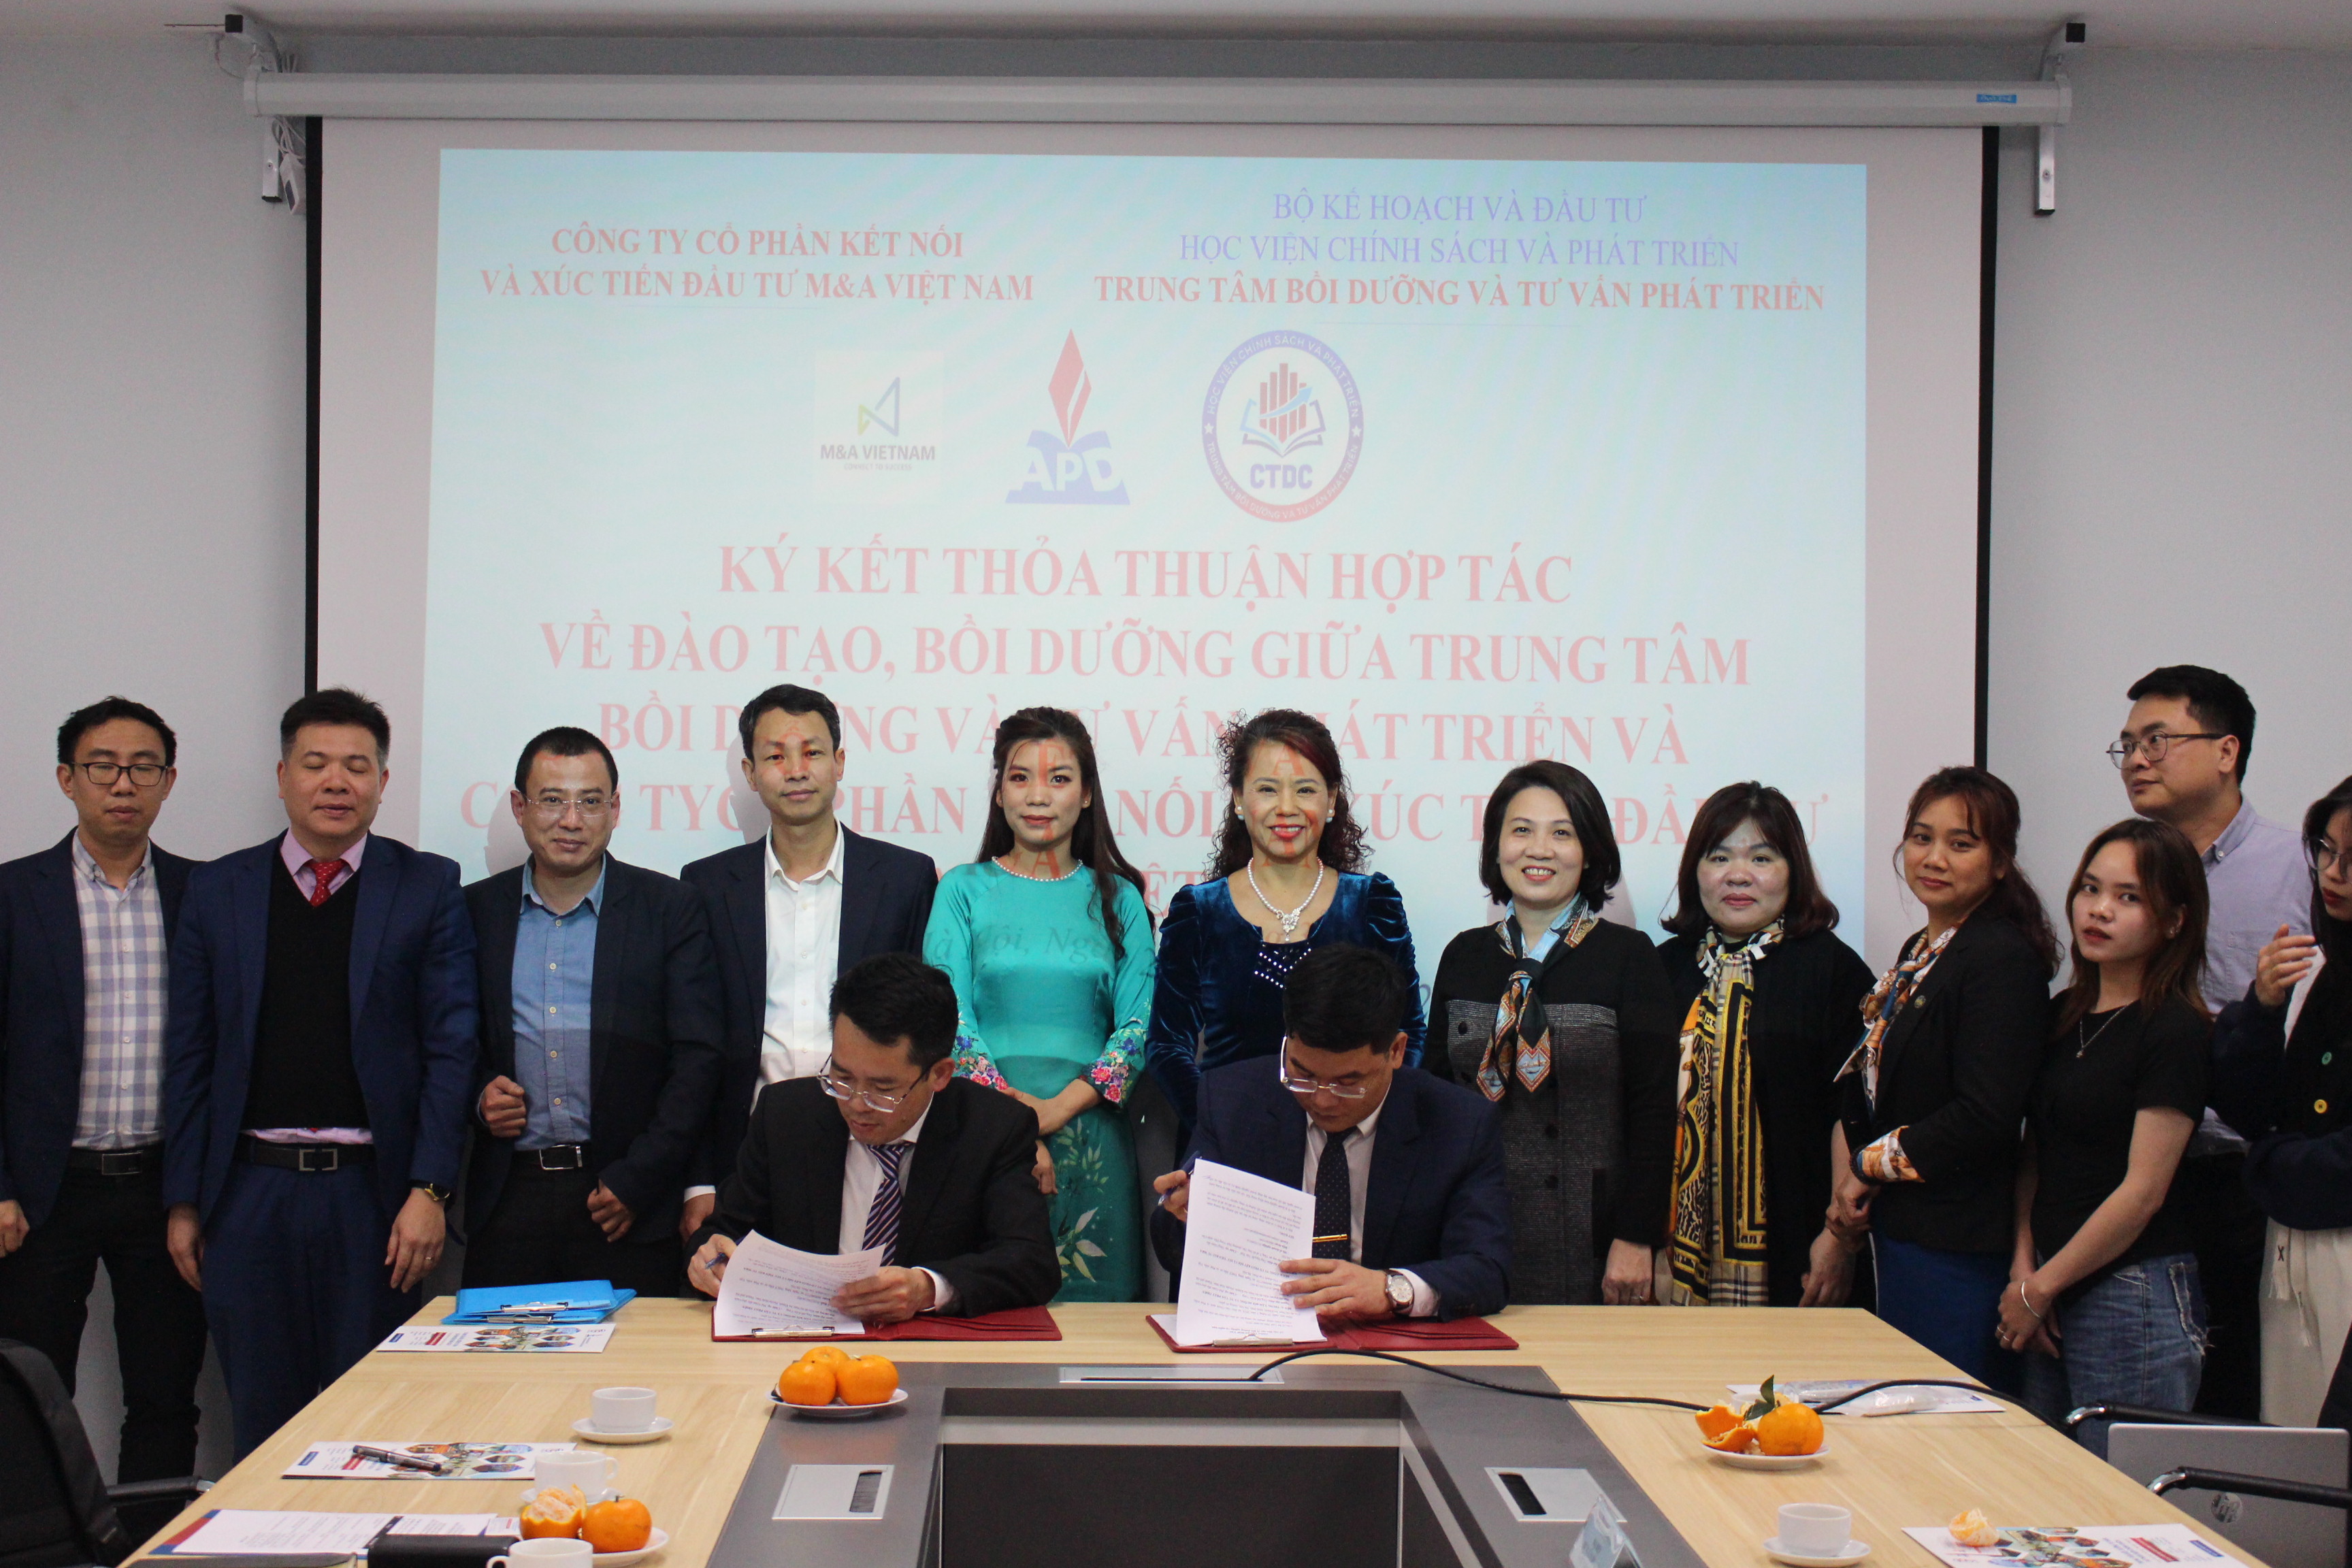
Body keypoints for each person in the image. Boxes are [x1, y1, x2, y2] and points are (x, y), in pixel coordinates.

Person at [161, 689, 478, 1457]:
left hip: (374, 1199)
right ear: (282, 777)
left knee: (372, 1425)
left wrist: (431, 1190)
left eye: (356, 766)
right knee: (262, 1422)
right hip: (247, 1194)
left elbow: (452, 1048)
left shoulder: (427, 885)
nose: (336, 782)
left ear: (383, 782)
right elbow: (191, 1054)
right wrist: (184, 1200)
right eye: (316, 764)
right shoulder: (219, 888)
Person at [0, 698, 208, 1482]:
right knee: (29, 1394)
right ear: (68, 778)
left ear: (168, 782)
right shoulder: (14, 895)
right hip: (43, 1192)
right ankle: (43, 1539)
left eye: (143, 768)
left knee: (165, 1395)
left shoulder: (203, 894)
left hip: (162, 1187)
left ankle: (147, 1538)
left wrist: (196, 1192)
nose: (124, 784)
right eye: (103, 767)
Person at [460, 728, 723, 1294]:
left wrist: (641, 1178)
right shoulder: (475, 911)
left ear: (615, 809)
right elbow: (448, 1042)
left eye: (590, 801)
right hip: (508, 1198)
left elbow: (698, 1059)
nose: (571, 821)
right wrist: (479, 1095)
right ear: (520, 808)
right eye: (552, 800)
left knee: (633, 1353)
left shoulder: (669, 909)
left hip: (625, 1200)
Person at [681, 685, 937, 1247]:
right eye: (776, 756)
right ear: (751, 774)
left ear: (839, 763)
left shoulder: (904, 879)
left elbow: (923, 1029)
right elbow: (697, 1043)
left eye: (813, 752)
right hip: (744, 1153)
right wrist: (699, 1180)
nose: (796, 770)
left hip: (871, 1144)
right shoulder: (707, 885)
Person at [2116, 665, 2305, 1416]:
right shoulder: (2126, 870)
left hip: (2242, 1176)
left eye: (2157, 740)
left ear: (2227, 752)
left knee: (2240, 1397)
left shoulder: (2299, 867)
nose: (2137, 759)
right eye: (2128, 745)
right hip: (2135, 1172)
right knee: (2148, 1404)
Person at [1424, 761, 1677, 1305]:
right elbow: (1435, 1102)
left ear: (1590, 851)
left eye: (1562, 833)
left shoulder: (1629, 957)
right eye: (1522, 830)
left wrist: (1637, 1235)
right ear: (1496, 847)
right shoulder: (1463, 955)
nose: (1539, 850)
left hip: (1594, 1236)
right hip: (1475, 1227)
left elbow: (1655, 1112)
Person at [686, 953, 1058, 1322]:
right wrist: (708, 1258)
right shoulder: (785, 1115)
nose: (856, 1104)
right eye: (842, 1078)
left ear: (940, 1075)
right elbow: (721, 1234)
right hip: (803, 1342)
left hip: (933, 1346)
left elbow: (1032, 1262)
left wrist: (929, 1288)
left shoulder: (993, 1128)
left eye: (883, 1089)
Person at [1836, 766, 2058, 1386]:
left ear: (2000, 862)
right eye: (1921, 837)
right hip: (1905, 1228)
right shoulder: (1923, 949)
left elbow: (1985, 1114)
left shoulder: (2001, 958)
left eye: (1961, 844)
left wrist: (1868, 1165)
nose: (1934, 858)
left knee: (1943, 1412)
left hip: (1957, 1243)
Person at [924, 708, 1155, 1302]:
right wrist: (1017, 1124)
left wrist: (1054, 1112)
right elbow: (948, 1019)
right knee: (985, 1313)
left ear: (1087, 794)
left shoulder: (1121, 898)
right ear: (999, 792)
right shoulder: (960, 890)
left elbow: (1138, 1029)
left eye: (1059, 779)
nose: (1038, 796)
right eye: (1020, 777)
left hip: (1092, 1138)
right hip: (981, 1135)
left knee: (1098, 1332)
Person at [1150, 944, 1509, 1321]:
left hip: (1395, 1341)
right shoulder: (1232, 1100)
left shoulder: (1459, 1124)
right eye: (1303, 1075)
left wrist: (1392, 1289)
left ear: (1396, 1051)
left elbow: (1487, 1269)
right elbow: (1173, 1253)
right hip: (1264, 1331)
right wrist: (1185, 1214)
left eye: (1347, 1082)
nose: (1322, 1100)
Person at [2004, 819, 2212, 1447]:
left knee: (2121, 1495)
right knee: (2048, 1485)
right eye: (2090, 889)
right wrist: (2025, 1271)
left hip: (2131, 1292)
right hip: (2048, 1281)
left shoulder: (2175, 1028)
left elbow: (2143, 1192)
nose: (2099, 910)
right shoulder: (2061, 1015)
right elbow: (2034, 1154)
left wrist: (2044, 1286)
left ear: (2174, 921)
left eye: (2129, 897)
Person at [1145, 710, 1424, 1130]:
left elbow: (1408, 1034)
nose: (1287, 808)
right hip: (1228, 1142)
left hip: (1349, 1140)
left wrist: (1356, 1119)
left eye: (1305, 790)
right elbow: (1166, 1046)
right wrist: (1221, 1122)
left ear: (1331, 800)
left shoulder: (1371, 905)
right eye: (1267, 789)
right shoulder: (1199, 911)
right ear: (1239, 800)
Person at [1654, 782, 1876, 1309]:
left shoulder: (1834, 970)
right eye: (1719, 857)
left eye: (1761, 857)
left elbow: (1852, 1113)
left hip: (1802, 1239)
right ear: (1694, 871)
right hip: (1672, 1248)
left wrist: (1839, 1239)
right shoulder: (1663, 968)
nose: (1738, 875)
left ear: (1792, 870)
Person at [2208, 775, 2352, 1426]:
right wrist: (2262, 1009)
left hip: (2332, 1231)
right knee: (2290, 1440)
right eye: (2325, 850)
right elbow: (2244, 1106)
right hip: (2289, 1241)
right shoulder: (2312, 965)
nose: (2334, 874)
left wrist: (2269, 1164)